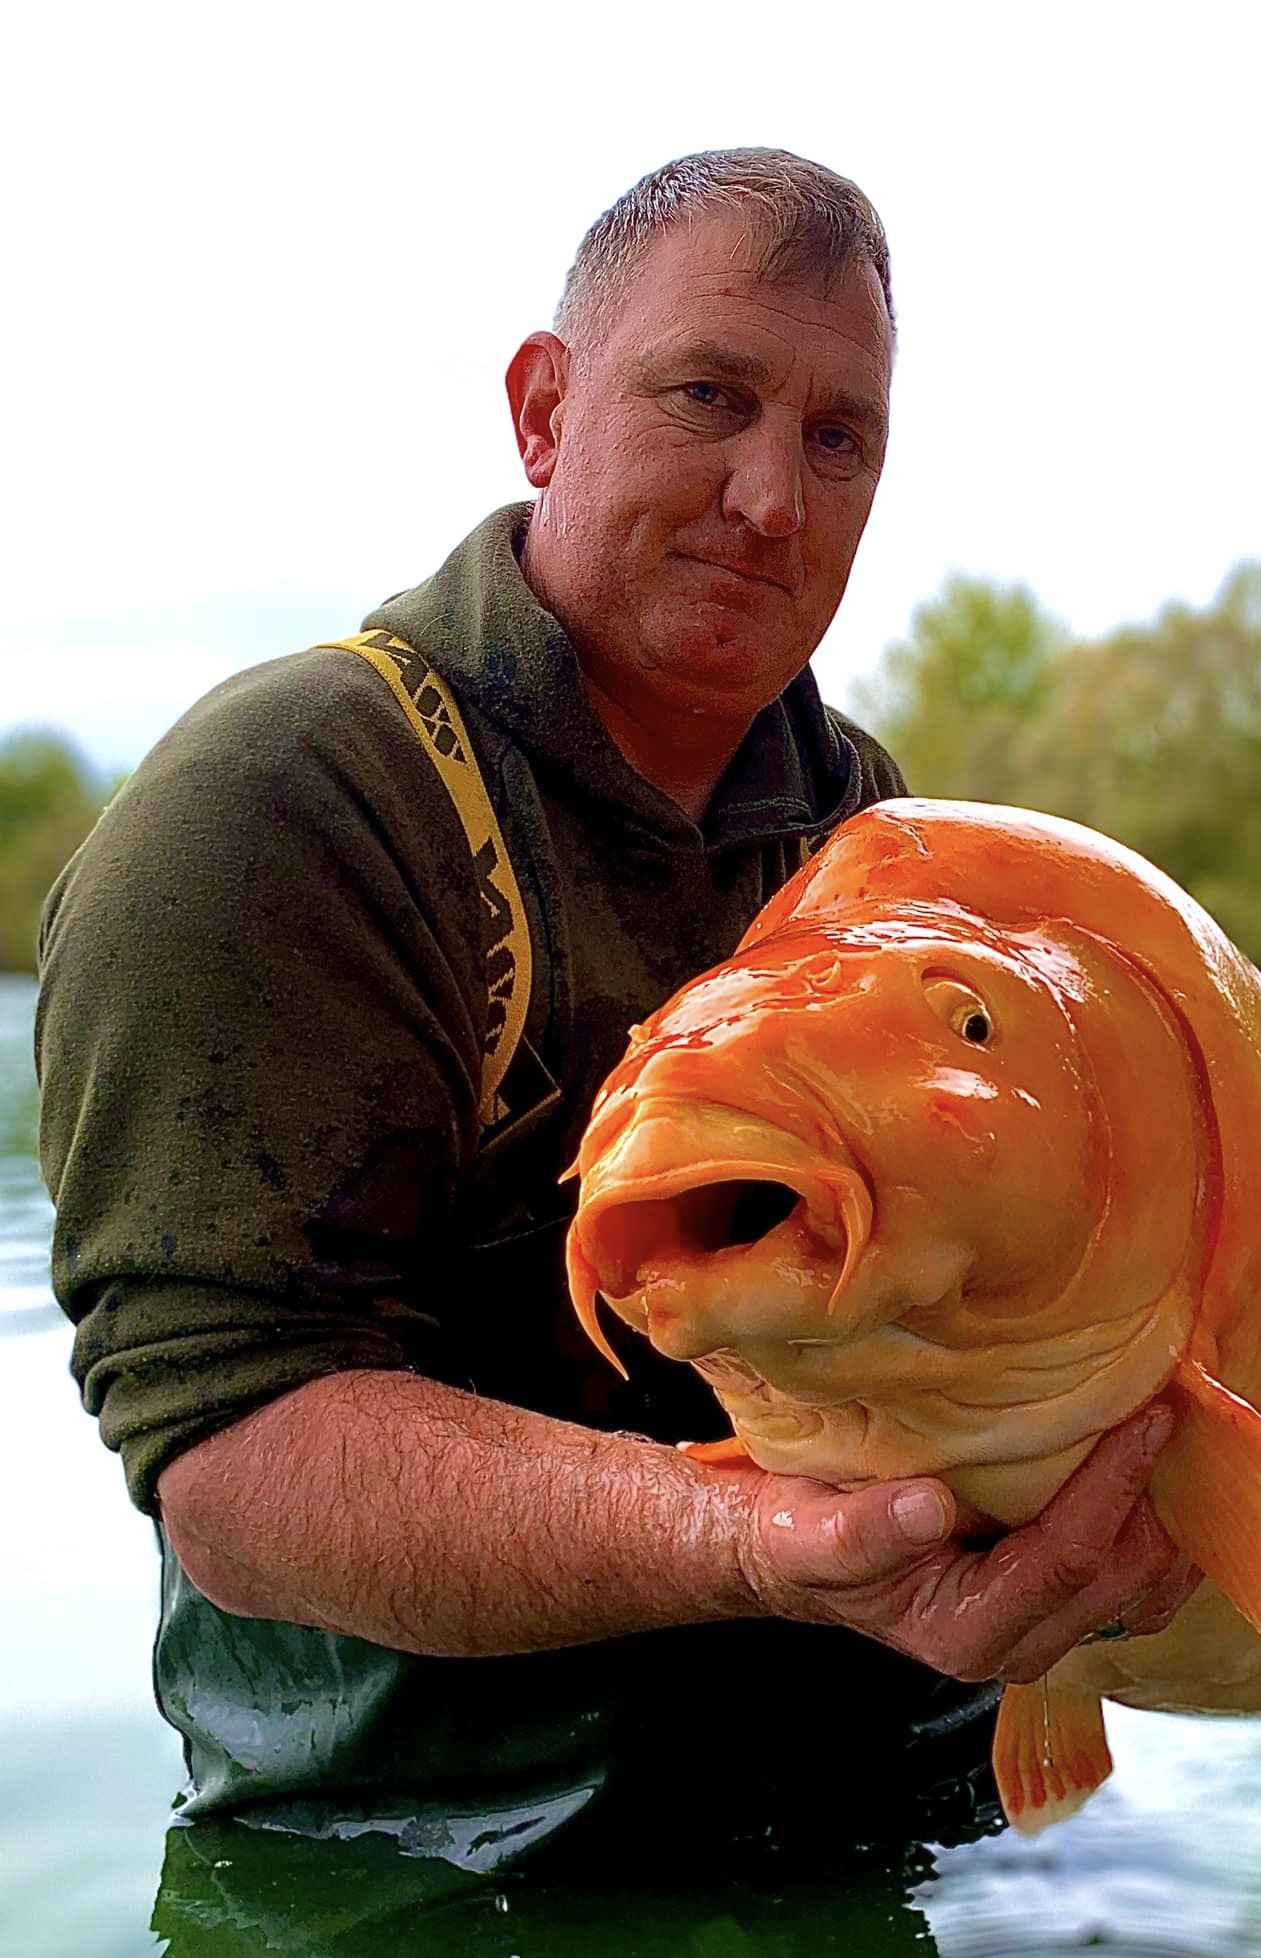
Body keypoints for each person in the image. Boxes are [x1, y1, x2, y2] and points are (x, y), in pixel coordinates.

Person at [36, 148, 1193, 1867]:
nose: (771, 502)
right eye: (708, 398)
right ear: (543, 410)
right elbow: (233, 1461)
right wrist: (745, 1542)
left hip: (890, 1820)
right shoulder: (280, 803)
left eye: (837, 439)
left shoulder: (880, 835)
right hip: (423, 1891)